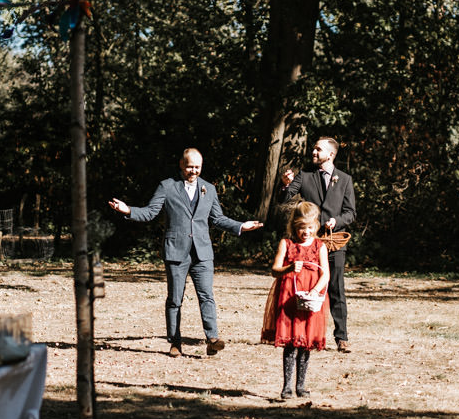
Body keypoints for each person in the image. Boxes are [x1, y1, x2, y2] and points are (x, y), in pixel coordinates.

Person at [109, 148, 263, 357]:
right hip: (175, 252)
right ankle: (175, 343)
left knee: (207, 296)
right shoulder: (167, 186)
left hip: (202, 254)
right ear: (181, 165)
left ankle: (212, 339)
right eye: (190, 166)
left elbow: (217, 218)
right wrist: (128, 210)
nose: (194, 171)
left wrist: (240, 226)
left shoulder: (208, 189)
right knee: (175, 299)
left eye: (197, 167)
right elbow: (151, 212)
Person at [279, 136, 356, 352]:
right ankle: (305, 335)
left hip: (334, 244)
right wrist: (286, 186)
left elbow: (351, 213)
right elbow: (285, 200)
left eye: (318, 149)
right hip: (309, 244)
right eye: (313, 149)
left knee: (336, 290)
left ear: (330, 154)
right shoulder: (304, 175)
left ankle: (342, 338)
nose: (313, 152)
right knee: (307, 288)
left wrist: (337, 221)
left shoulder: (345, 179)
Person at [261, 201, 330, 399]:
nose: (305, 232)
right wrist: (289, 268)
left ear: (316, 226)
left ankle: (301, 385)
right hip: (290, 297)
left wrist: (315, 291)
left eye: (309, 228)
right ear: (294, 226)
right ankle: (287, 386)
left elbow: (325, 274)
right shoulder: (287, 244)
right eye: (301, 228)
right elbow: (274, 270)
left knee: (305, 342)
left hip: (311, 298)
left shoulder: (320, 246)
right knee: (291, 343)